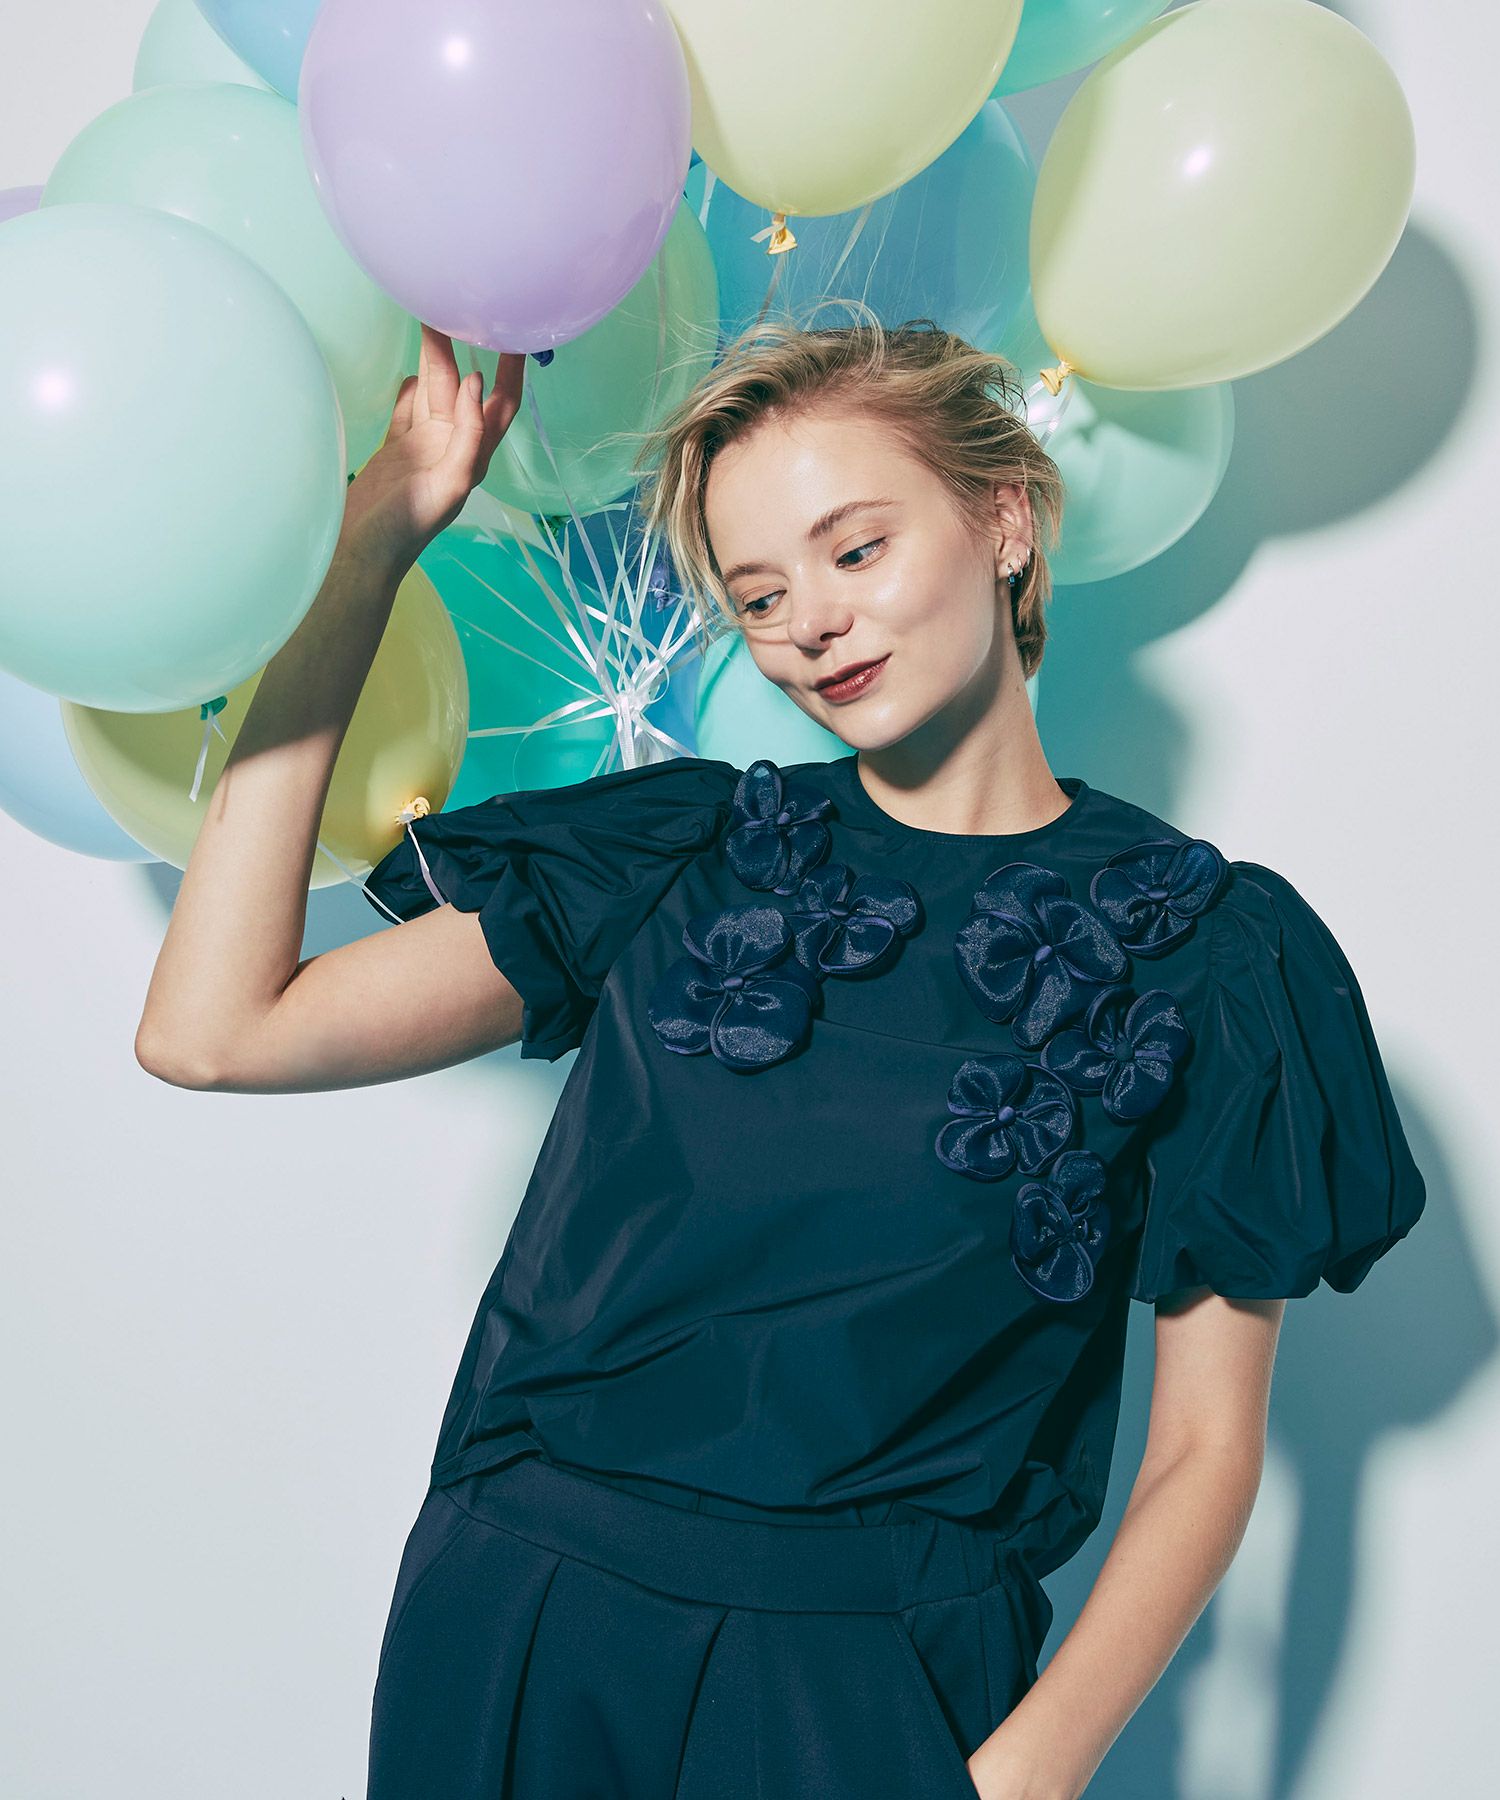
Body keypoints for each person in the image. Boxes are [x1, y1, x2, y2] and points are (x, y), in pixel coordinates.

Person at [136, 314, 1427, 1800]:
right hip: (528, 1617)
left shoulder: (1208, 951)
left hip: (874, 1678)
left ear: (1005, 518)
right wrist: (370, 551)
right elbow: (212, 1031)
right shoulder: (685, 853)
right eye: (760, 593)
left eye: (855, 550)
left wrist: (1024, 1776)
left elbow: (1206, 1452)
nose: (813, 622)